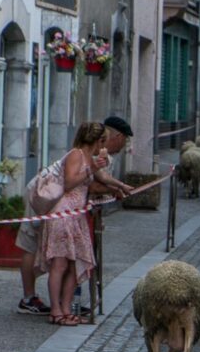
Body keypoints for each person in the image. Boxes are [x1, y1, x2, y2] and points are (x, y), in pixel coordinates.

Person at [16, 117, 132, 315]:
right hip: (46, 197)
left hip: (65, 209)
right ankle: (31, 298)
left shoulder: (91, 157)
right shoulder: (78, 155)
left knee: (67, 261)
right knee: (33, 245)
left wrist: (118, 186)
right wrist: (108, 185)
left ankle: (64, 305)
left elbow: (96, 180)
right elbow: (77, 182)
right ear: (103, 140)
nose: (125, 147)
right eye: (125, 141)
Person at [36, 122, 105, 326]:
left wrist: (117, 187)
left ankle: (66, 309)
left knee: (75, 264)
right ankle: (56, 310)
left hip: (76, 216)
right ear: (96, 140)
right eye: (103, 140)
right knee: (60, 264)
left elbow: (90, 183)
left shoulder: (87, 158)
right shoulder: (76, 154)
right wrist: (92, 168)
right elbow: (69, 182)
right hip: (63, 214)